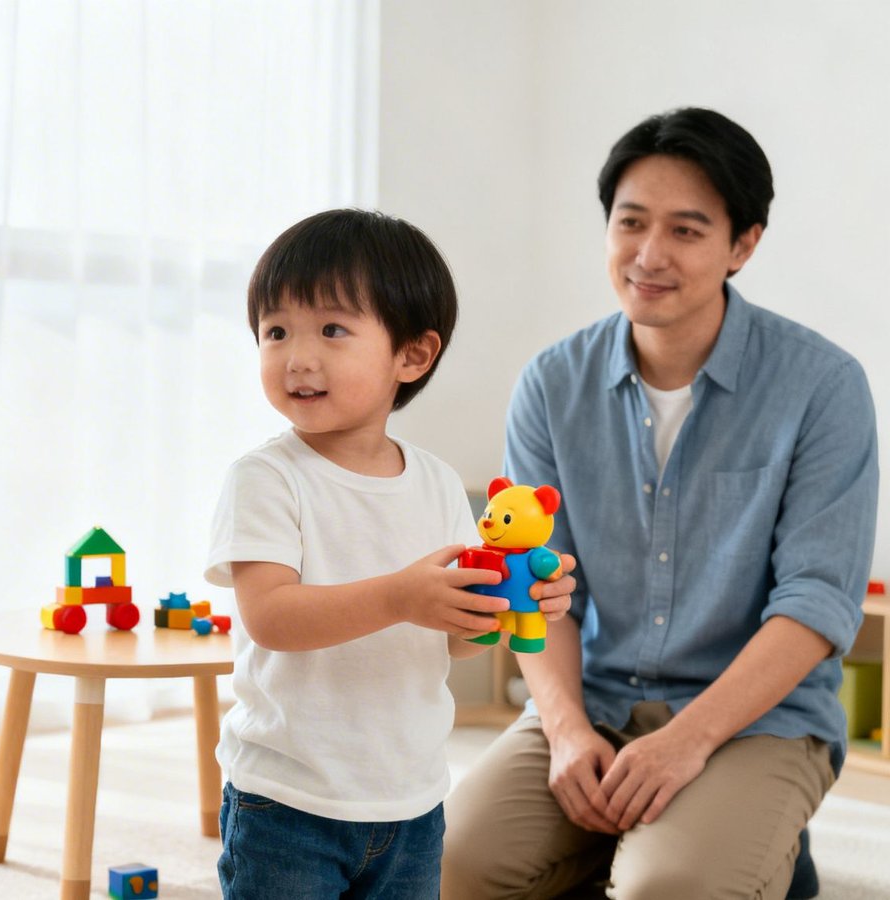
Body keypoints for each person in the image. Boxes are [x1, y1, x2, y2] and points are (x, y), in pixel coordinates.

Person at [442, 107, 879, 900]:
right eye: (630, 223)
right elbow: (536, 589)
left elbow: (816, 604)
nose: (649, 255)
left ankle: (733, 839)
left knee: (666, 889)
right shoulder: (551, 384)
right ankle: (658, 838)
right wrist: (568, 731)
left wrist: (689, 742)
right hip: (598, 703)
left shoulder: (823, 386)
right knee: (448, 864)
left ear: (742, 245)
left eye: (686, 230)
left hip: (755, 722)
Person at [204, 208, 576, 898]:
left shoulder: (434, 481)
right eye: (275, 331)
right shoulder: (265, 478)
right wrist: (400, 596)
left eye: (332, 330)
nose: (297, 356)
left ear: (412, 355)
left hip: (411, 798)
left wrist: (510, 607)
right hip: (288, 800)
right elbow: (272, 619)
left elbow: (456, 643)